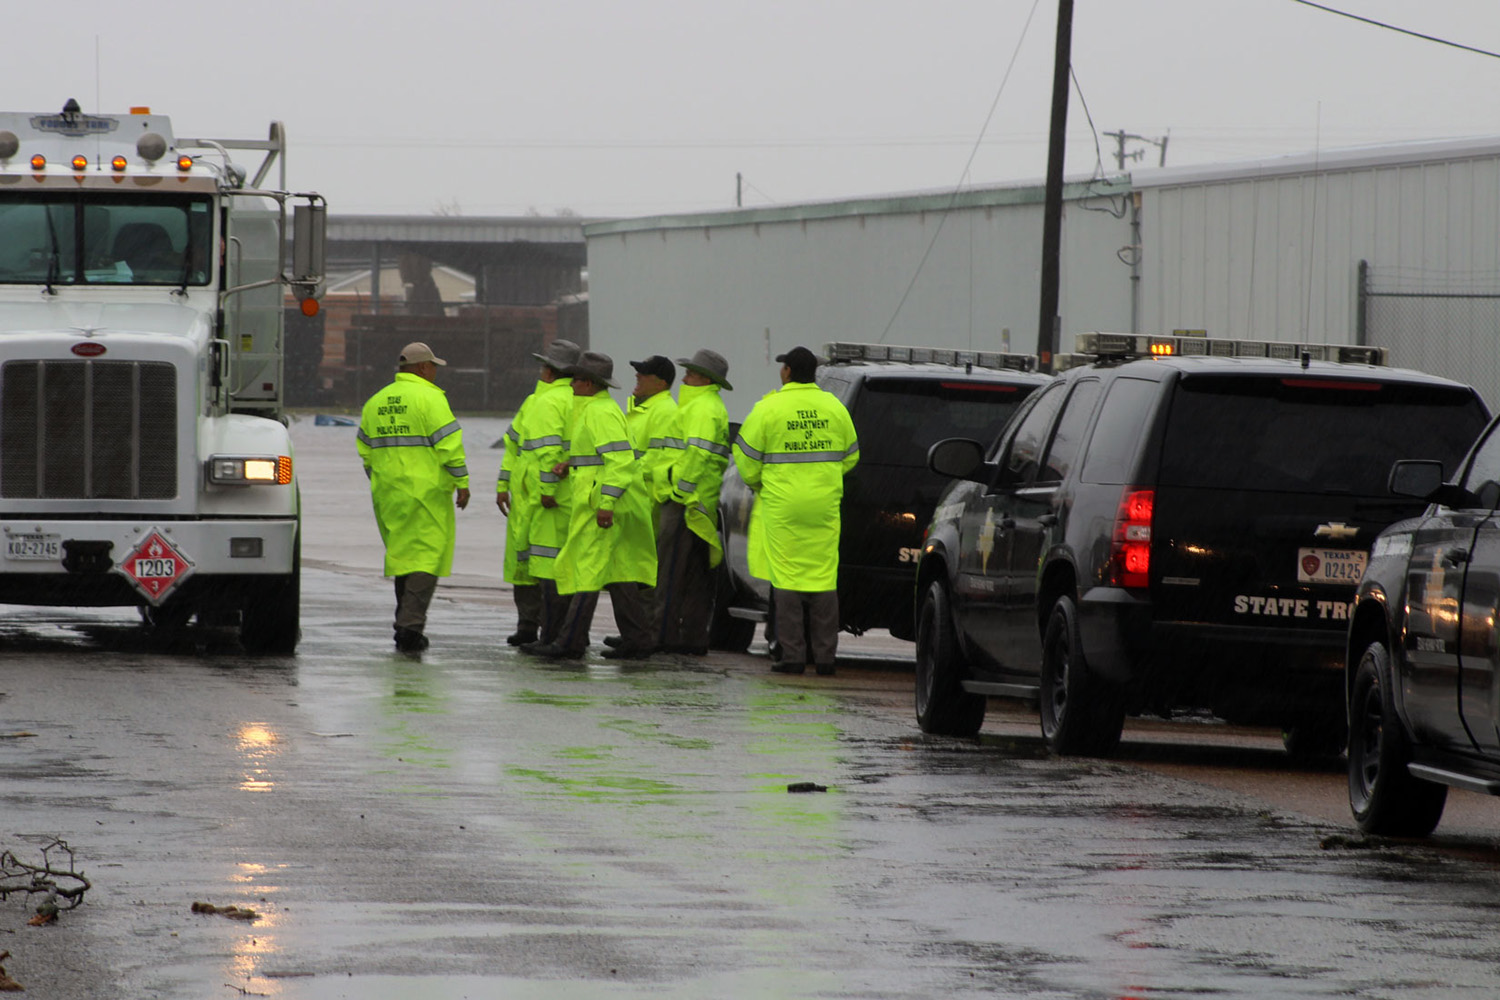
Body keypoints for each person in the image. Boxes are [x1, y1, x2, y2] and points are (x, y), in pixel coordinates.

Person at [732, 345, 858, 675]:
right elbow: (851, 456)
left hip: (782, 505)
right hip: (824, 506)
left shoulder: (769, 407)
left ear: (787, 371)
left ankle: (793, 656)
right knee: (823, 577)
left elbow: (745, 461)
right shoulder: (834, 407)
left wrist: (763, 483)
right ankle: (826, 658)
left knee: (786, 578)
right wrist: (822, 479)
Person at [525, 352, 658, 660]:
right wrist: (570, 463)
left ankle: (570, 641)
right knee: (619, 571)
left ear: (588, 383)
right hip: (611, 499)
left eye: (575, 378)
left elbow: (620, 461)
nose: (570, 383)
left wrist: (607, 503)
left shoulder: (599, 412)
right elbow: (601, 455)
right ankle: (638, 639)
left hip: (605, 503)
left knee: (587, 570)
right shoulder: (596, 409)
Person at [357, 341, 471, 652]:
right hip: (426, 492)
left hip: (388, 493)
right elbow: (449, 446)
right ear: (422, 368)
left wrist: (383, 479)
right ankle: (409, 627)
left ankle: (406, 622)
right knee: (426, 557)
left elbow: (365, 451)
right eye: (433, 366)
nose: (435, 371)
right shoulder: (430, 399)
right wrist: (462, 483)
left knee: (404, 557)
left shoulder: (376, 402)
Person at [496, 339, 581, 646]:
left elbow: (544, 452)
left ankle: (539, 629)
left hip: (541, 497)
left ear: (550, 370)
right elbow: (517, 444)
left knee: (539, 564)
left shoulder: (546, 402)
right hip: (542, 495)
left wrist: (509, 486)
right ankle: (535, 628)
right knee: (539, 562)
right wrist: (505, 484)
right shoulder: (561, 399)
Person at [652, 348, 733, 655]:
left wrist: (679, 492)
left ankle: (663, 635)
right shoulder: (713, 406)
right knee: (698, 577)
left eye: (689, 373)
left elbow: (696, 455)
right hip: (703, 503)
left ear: (703, 378)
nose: (683, 378)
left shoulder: (700, 408)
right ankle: (694, 637)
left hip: (687, 503)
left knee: (670, 573)